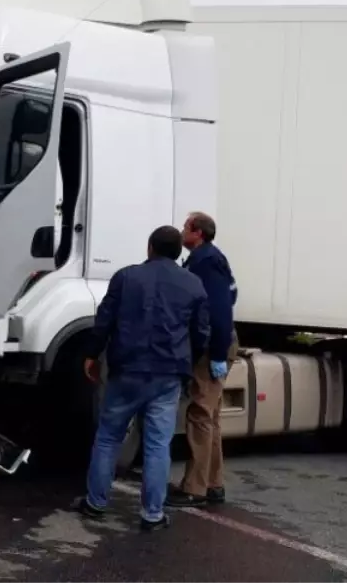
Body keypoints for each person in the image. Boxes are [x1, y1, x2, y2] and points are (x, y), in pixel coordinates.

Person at [74, 225, 210, 532]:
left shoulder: (125, 277)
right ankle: (152, 514)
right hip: (167, 375)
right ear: (179, 252)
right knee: (158, 444)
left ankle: (95, 503)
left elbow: (105, 319)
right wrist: (188, 362)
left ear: (150, 247)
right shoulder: (193, 285)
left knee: (108, 437)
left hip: (127, 370)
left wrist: (92, 354)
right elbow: (201, 333)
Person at [167, 211, 238, 508]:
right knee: (210, 417)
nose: (182, 231)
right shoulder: (207, 259)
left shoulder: (206, 262)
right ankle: (213, 484)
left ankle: (194, 488)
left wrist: (218, 354)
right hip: (215, 345)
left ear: (197, 232)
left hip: (213, 347)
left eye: (185, 227)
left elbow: (221, 311)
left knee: (199, 415)